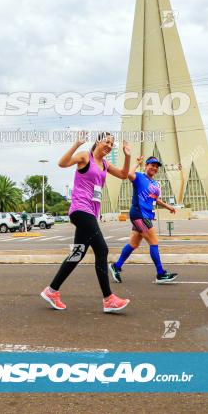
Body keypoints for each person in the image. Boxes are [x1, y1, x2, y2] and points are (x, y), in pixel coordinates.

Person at [41, 131, 132, 313]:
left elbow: (123, 175)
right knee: (102, 249)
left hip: (91, 213)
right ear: (98, 142)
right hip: (80, 210)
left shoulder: (105, 164)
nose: (108, 146)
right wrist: (77, 144)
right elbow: (62, 163)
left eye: (111, 144)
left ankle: (51, 291)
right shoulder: (85, 156)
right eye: (106, 142)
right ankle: (108, 299)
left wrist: (127, 156)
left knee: (78, 253)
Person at [109, 156, 178, 284]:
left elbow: (155, 199)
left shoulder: (156, 184)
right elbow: (129, 174)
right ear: (146, 166)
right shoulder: (139, 177)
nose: (154, 168)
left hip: (145, 215)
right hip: (139, 214)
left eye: (157, 166)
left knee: (133, 244)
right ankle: (160, 274)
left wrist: (168, 206)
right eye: (152, 165)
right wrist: (136, 163)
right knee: (153, 242)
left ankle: (116, 266)